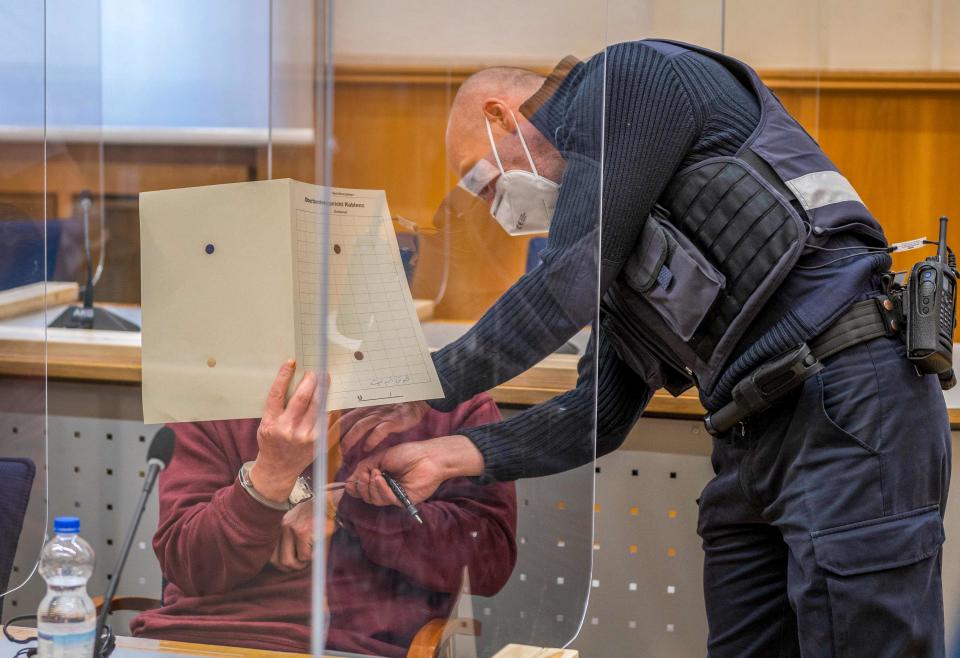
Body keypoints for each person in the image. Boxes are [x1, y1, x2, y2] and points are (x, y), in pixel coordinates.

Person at [341, 40, 952, 657]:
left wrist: (420, 386)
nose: (494, 206)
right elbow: (597, 414)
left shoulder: (631, 80)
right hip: (751, 442)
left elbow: (563, 284)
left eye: (481, 180)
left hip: (850, 403)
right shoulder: (611, 230)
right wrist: (452, 453)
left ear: (503, 115)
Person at [131, 362, 517, 657]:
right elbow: (189, 566)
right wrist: (267, 480)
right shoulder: (221, 390)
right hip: (201, 640)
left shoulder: (443, 403)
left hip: (343, 648)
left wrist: (354, 506)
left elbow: (488, 562)